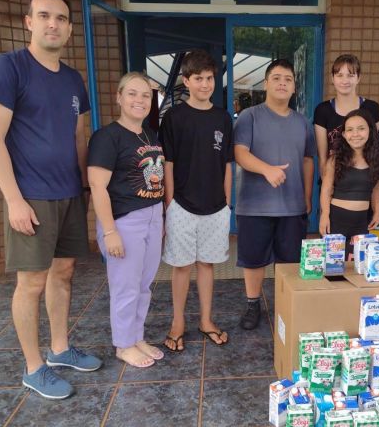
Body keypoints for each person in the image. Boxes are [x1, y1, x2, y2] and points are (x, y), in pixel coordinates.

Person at [0, 0, 101, 400]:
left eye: (61, 18)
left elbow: (78, 137)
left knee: (63, 273)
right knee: (30, 282)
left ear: (69, 28)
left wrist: (86, 187)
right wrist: (13, 199)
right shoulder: (9, 68)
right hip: (31, 196)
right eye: (44, 16)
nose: (54, 23)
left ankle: (60, 349)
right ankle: (34, 367)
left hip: (69, 192)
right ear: (29, 21)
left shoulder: (73, 80)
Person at [88, 72, 165, 368]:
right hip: (124, 220)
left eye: (145, 95)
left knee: (144, 285)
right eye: (132, 93)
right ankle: (123, 344)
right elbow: (97, 186)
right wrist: (110, 232)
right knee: (125, 286)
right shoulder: (107, 137)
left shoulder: (148, 135)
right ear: (119, 97)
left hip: (152, 216)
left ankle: (136, 337)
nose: (139, 100)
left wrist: (159, 219)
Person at [160, 50, 233, 352]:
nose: (205, 84)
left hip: (216, 205)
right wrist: (169, 205)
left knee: (207, 265)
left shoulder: (222, 117)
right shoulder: (174, 118)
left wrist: (227, 201)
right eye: (198, 78)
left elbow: (227, 163)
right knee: (181, 266)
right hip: (182, 205)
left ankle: (206, 320)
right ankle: (177, 322)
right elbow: (168, 165)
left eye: (210, 78)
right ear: (186, 81)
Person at [235, 59, 316, 330]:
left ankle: (286, 304)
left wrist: (306, 197)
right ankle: (252, 304)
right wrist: (267, 170)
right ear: (266, 83)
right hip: (254, 205)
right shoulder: (250, 116)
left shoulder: (303, 123)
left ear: (294, 87)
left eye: (288, 79)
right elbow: (240, 153)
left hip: (292, 206)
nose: (282, 83)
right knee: (254, 259)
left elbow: (307, 161)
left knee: (289, 262)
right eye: (277, 78)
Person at [319, 109, 379, 258]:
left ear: (370, 131)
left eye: (361, 128)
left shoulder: (376, 160)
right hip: (336, 220)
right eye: (350, 130)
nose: (355, 134)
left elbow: (376, 188)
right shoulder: (335, 160)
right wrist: (325, 215)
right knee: (334, 268)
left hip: (361, 222)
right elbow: (326, 189)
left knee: (358, 267)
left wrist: (377, 211)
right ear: (343, 134)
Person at [314, 54, 379, 178]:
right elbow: (322, 157)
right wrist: (326, 187)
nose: (345, 81)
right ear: (332, 78)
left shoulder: (372, 108)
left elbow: (377, 149)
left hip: (365, 181)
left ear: (358, 78)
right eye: (339, 75)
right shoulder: (322, 110)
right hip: (334, 181)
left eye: (350, 75)